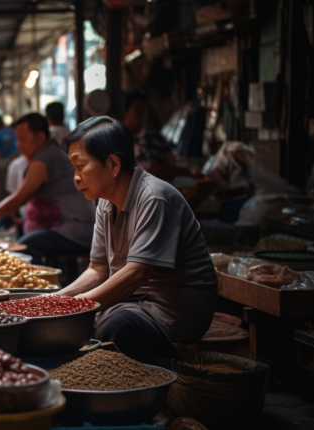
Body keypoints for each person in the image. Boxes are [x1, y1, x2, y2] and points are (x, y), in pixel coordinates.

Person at [59, 116, 217, 363]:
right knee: (77, 325)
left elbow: (138, 273)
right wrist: (57, 300)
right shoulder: (104, 203)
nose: (76, 177)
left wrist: (74, 306)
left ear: (113, 164)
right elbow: (98, 269)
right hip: (133, 302)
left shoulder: (154, 198)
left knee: (115, 328)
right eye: (74, 168)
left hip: (173, 312)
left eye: (81, 166)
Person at [0, 113, 95, 264]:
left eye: (23, 139)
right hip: (72, 226)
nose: (19, 144)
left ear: (40, 137)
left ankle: (41, 278)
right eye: (17, 139)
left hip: (76, 229)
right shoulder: (50, 153)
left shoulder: (45, 159)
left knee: (24, 246)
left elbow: (18, 200)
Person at [124, 92, 196, 181]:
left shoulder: (155, 136)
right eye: (137, 110)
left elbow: (171, 160)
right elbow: (149, 169)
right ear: (126, 111)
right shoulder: (120, 138)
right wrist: (187, 172)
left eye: (143, 111)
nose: (141, 114)